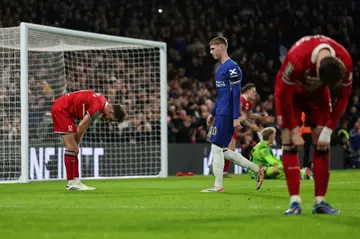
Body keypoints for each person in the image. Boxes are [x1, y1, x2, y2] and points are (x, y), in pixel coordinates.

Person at [274, 35, 353, 214]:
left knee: (322, 143)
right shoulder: (297, 57)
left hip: (318, 96)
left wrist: (329, 129)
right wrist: (293, 130)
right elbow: (283, 94)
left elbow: (344, 96)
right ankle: (295, 202)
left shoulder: (345, 60)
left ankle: (320, 202)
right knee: (289, 142)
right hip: (291, 93)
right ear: (316, 67)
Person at [201, 36, 265, 193]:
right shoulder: (219, 69)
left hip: (228, 113)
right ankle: (256, 169)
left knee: (216, 147)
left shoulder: (232, 68)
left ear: (222, 47)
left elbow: (236, 94)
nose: (210, 52)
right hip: (221, 112)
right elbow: (222, 95)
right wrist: (213, 112)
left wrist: (236, 116)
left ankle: (218, 186)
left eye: (212, 48)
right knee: (222, 149)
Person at [51, 90, 126, 190]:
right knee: (72, 147)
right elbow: (81, 126)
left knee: (74, 148)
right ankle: (71, 182)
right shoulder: (98, 107)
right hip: (62, 109)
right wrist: (75, 144)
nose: (108, 120)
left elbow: (83, 127)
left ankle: (76, 181)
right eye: (111, 119)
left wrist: (76, 144)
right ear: (111, 112)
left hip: (65, 111)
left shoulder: (101, 101)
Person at [223, 83, 273, 177]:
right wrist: (252, 126)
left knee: (230, 149)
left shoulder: (248, 103)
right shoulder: (240, 101)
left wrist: (262, 117)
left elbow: (249, 115)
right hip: (227, 124)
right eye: (253, 91)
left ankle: (222, 170)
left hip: (233, 126)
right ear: (247, 91)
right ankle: (218, 167)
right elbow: (240, 117)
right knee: (230, 149)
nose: (255, 94)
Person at [248, 127, 313, 180]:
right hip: (257, 172)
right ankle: (301, 174)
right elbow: (272, 161)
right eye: (274, 136)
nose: (274, 137)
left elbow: (275, 160)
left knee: (279, 172)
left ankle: (300, 175)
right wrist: (284, 167)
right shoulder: (263, 148)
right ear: (271, 137)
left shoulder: (262, 145)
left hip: (260, 170)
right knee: (278, 168)